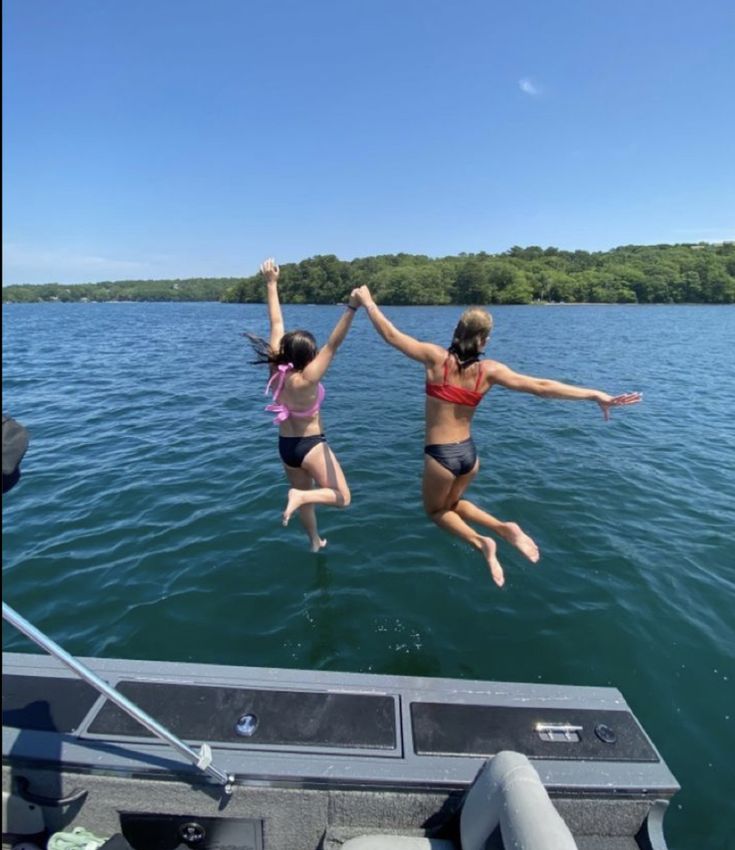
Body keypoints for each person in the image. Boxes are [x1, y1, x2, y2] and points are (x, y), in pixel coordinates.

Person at [350, 285, 642, 587]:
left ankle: (482, 543)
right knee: (453, 505)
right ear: (484, 340)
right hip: (468, 456)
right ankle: (504, 528)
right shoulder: (488, 371)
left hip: (440, 457)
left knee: (436, 511)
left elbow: (392, 335)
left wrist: (368, 302)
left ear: (456, 330)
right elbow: (541, 386)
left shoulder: (435, 359)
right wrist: (594, 394)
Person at [246, 259, 359, 551]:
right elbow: (334, 344)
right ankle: (300, 497)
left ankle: (314, 540)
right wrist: (352, 307)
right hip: (311, 444)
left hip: (286, 447)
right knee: (342, 497)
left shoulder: (275, 369)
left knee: (304, 493)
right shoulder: (308, 378)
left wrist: (271, 283)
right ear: (308, 356)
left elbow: (275, 323)